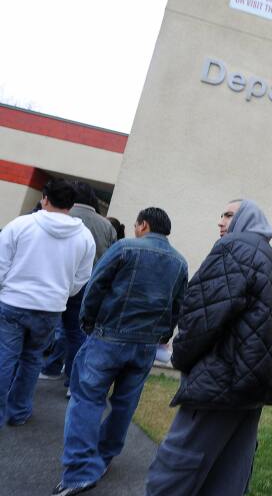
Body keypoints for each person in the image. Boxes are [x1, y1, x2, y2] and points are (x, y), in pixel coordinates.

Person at [146, 199, 272, 496]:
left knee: (175, 471)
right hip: (250, 391)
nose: (220, 221)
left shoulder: (233, 249)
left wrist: (181, 357)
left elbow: (200, 316)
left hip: (217, 386)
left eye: (229, 215)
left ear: (247, 220)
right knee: (228, 477)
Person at [53, 207, 188, 496]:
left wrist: (87, 322)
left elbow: (96, 286)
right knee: (125, 404)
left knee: (87, 400)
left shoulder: (125, 247)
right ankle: (103, 458)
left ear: (144, 225)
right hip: (145, 345)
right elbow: (177, 306)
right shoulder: (179, 262)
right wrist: (162, 336)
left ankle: (79, 473)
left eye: (138, 225)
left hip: (108, 337)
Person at [0, 179, 95, 428]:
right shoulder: (84, 237)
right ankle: (18, 411)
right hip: (50, 307)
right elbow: (82, 278)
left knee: (5, 358)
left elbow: (1, 264)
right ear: (72, 204)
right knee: (32, 360)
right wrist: (63, 293)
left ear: (44, 197)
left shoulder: (20, 225)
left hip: (13, 302)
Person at [40, 181, 117, 395]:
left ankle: (49, 367)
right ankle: (72, 381)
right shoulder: (106, 226)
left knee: (47, 330)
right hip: (88, 285)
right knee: (77, 334)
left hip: (55, 282)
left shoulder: (62, 214)